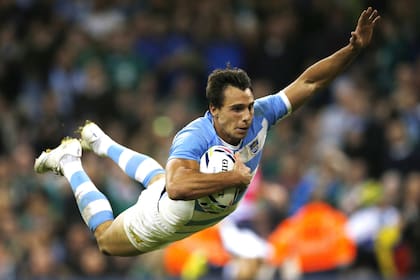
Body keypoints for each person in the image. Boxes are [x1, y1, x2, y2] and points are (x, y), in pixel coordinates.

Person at [34, 7, 380, 257]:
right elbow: (178, 186)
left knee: (156, 178)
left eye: (248, 106)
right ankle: (70, 162)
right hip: (166, 218)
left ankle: (101, 141)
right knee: (106, 240)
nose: (246, 116)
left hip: (202, 213)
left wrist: (353, 50)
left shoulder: (261, 114)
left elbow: (310, 81)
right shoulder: (194, 136)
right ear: (214, 110)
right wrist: (231, 179)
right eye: (236, 109)